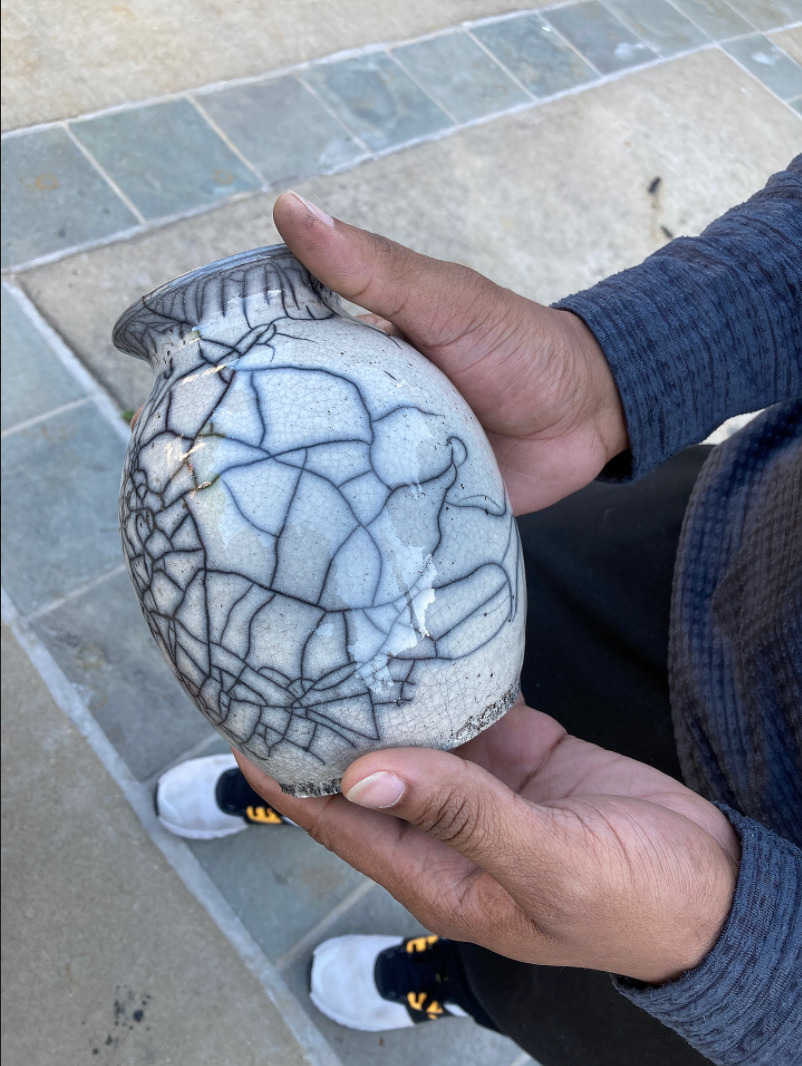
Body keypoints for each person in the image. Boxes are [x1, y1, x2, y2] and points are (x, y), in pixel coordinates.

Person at [155, 157, 801, 1066]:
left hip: (754, 915)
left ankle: (460, 980)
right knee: (427, 646)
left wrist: (749, 957)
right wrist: (615, 362)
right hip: (724, 541)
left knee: (564, 969)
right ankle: (317, 782)